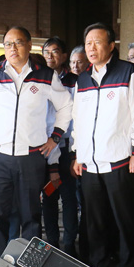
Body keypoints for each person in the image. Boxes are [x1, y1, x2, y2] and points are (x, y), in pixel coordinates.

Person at [0, 26, 73, 256]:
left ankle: (29, 266)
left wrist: (55, 137)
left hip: (31, 157)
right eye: (8, 44)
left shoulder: (45, 76)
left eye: (18, 42)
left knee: (31, 215)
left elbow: (66, 105)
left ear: (29, 45)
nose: (12, 48)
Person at [71, 22, 134, 267]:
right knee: (94, 222)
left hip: (120, 160)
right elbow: (78, 120)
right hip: (90, 164)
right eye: (88, 43)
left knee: (124, 220)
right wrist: (77, 154)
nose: (91, 48)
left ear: (111, 45)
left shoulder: (129, 73)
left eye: (97, 42)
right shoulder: (82, 79)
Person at [40, 36, 79, 255]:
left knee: (69, 196)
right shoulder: (38, 79)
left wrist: (74, 151)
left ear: (64, 56)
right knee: (48, 197)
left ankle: (70, 243)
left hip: (65, 149)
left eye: (55, 52)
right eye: (46, 52)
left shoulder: (73, 81)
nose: (50, 56)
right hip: (44, 149)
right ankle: (52, 244)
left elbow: (74, 118)